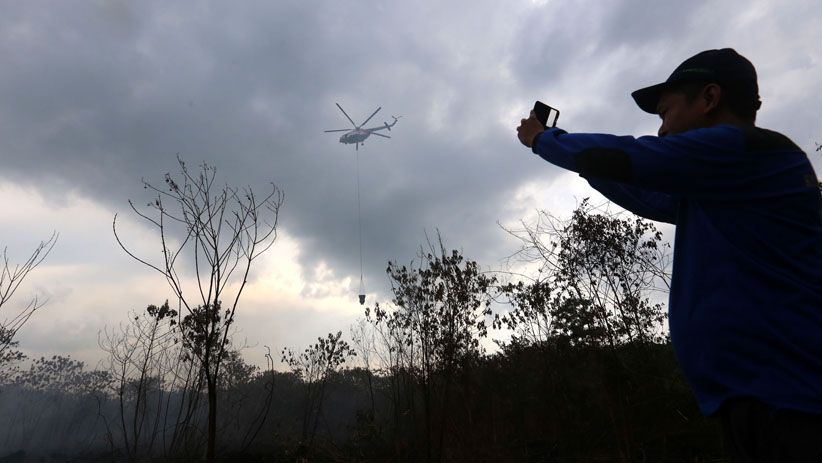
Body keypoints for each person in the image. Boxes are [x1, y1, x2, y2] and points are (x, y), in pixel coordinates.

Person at [516, 48, 822, 462]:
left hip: (793, 407)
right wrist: (585, 163)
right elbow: (644, 191)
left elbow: (631, 157)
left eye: (664, 114)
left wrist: (542, 139)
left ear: (710, 99)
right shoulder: (723, 184)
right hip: (757, 403)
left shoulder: (749, 151)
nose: (660, 131)